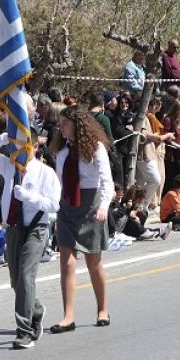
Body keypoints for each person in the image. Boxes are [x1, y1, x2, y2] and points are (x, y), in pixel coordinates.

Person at [0, 125, 61, 349]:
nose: (21, 149)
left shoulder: (45, 172)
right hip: (14, 227)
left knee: (26, 277)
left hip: (36, 228)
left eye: (25, 145)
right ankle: (35, 310)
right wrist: (3, 138)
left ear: (35, 146)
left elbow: (54, 204)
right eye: (17, 145)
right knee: (16, 281)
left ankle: (24, 330)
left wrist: (30, 197)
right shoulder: (8, 165)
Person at [50, 106, 114, 332]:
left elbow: (107, 181)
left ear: (78, 124)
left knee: (93, 262)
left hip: (91, 204)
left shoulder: (96, 148)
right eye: (60, 123)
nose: (61, 127)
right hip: (67, 205)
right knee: (66, 261)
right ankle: (68, 316)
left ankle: (102, 308)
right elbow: (58, 182)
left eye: (65, 123)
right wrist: (54, 210)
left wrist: (104, 206)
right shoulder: (62, 151)